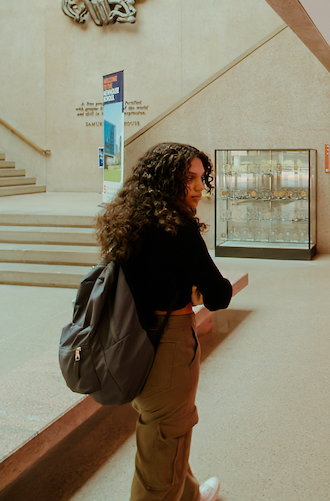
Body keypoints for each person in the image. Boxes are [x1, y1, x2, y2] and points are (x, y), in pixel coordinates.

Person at [96, 142, 233, 501]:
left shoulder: (128, 220)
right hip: (168, 346)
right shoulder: (178, 229)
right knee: (164, 442)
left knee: (163, 429)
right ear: (168, 179)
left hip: (129, 340)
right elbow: (218, 294)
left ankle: (189, 494)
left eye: (202, 178)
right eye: (190, 178)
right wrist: (197, 288)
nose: (199, 187)